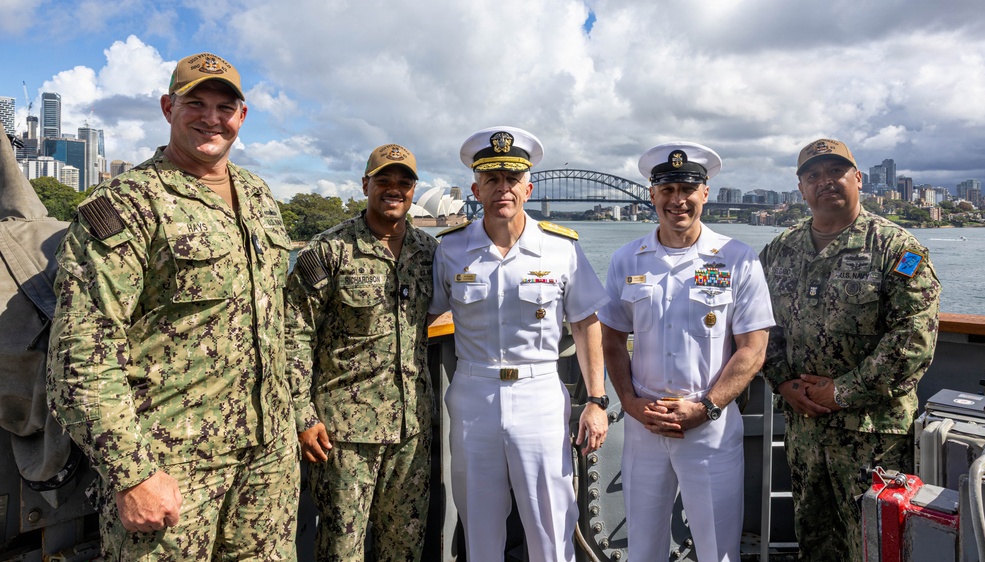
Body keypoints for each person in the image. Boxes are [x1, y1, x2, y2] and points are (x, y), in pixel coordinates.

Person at [46, 52, 299, 560]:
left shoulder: (258, 196)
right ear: (168, 108)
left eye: (225, 107)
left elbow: (279, 318)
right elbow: (81, 352)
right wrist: (131, 472)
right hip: (173, 466)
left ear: (242, 117)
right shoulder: (128, 203)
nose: (211, 118)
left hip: (269, 460)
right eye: (195, 103)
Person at [429, 126, 609, 562]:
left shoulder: (561, 248)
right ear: (476, 189)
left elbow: (586, 323)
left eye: (512, 180)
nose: (502, 189)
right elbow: (431, 315)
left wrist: (597, 400)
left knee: (551, 524)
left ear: (528, 188)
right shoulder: (450, 251)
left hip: (540, 393)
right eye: (491, 180)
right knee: (480, 527)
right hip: (474, 396)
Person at [760, 139, 941, 561]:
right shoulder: (778, 252)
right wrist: (783, 382)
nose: (825, 182)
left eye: (836, 172)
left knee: (878, 545)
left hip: (874, 438)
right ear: (801, 188)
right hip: (806, 432)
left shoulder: (898, 250)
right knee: (816, 541)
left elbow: (913, 339)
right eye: (813, 176)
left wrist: (840, 391)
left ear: (858, 179)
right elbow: (758, 326)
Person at [601, 141, 774, 562]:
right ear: (652, 195)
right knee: (643, 548)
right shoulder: (627, 259)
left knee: (718, 551)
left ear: (705, 193)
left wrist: (708, 408)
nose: (677, 200)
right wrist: (630, 403)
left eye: (687, 189)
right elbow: (610, 340)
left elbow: (753, 349)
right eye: (667, 190)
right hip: (645, 424)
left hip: (709, 425)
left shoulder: (737, 258)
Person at [286, 143, 438, 561]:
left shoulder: (429, 253)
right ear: (365, 185)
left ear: (413, 190)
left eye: (404, 183)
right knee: (341, 549)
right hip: (344, 435)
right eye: (384, 181)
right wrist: (303, 412)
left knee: (405, 546)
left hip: (412, 429)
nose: (394, 190)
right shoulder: (328, 251)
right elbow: (294, 334)